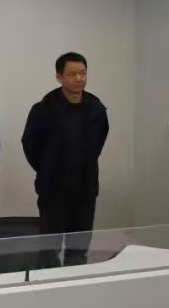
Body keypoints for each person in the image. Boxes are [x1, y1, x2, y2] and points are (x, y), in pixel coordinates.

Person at [22, 52, 109, 267]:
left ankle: (76, 286)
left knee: (78, 251)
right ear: (59, 77)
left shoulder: (96, 108)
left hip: (85, 191)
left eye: (83, 73)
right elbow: (30, 145)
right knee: (49, 252)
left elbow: (99, 142)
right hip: (52, 191)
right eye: (72, 74)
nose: (79, 78)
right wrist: (47, 168)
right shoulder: (44, 108)